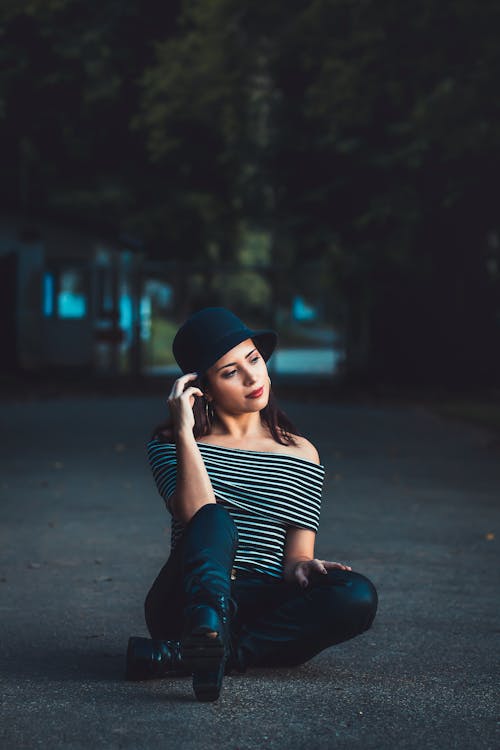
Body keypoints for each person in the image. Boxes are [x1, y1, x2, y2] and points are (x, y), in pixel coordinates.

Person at [125, 307, 378, 702]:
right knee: (215, 517)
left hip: (259, 601)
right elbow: (194, 517)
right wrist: (185, 432)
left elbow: (295, 558)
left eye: (254, 359)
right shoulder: (170, 445)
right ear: (201, 388)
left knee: (357, 594)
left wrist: (304, 567)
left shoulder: (302, 452)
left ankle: (196, 656)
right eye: (230, 372)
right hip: (187, 602)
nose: (252, 377)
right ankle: (203, 635)